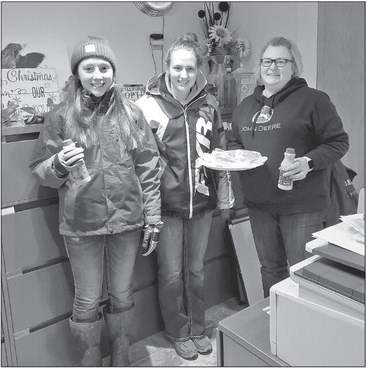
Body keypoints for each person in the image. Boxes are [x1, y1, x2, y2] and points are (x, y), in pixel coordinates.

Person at [29, 36, 162, 366]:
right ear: (78, 74)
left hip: (127, 221)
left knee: (122, 292)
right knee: (87, 299)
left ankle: (119, 351)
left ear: (113, 72)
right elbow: (40, 169)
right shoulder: (60, 117)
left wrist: (153, 217)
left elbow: (148, 165)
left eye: (104, 67)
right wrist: (59, 164)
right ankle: (90, 357)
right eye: (89, 68)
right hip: (81, 224)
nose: (98, 75)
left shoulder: (131, 114)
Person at [136, 33, 234, 360]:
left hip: (202, 203)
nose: (183, 75)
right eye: (177, 68)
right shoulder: (147, 106)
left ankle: (198, 327)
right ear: (166, 69)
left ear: (198, 71)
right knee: (170, 272)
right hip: (166, 206)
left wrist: (224, 192)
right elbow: (141, 160)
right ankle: (178, 331)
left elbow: (220, 151)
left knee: (196, 270)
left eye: (190, 69)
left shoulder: (209, 105)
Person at [227, 36, 349, 298]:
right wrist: (235, 156)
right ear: (259, 66)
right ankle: (273, 325)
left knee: (302, 272)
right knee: (270, 269)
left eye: (281, 61)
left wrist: (309, 162)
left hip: (300, 206)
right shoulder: (245, 107)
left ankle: (301, 332)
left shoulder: (314, 100)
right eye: (267, 61)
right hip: (259, 204)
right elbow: (235, 141)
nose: (272, 67)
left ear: (294, 66)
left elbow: (338, 142)